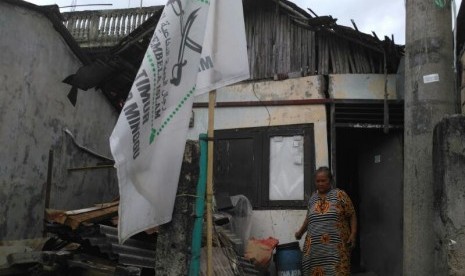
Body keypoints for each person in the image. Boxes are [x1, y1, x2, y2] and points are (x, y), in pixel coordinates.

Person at [295, 166, 357, 276]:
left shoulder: (340, 195)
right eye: (317, 181)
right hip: (315, 249)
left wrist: (353, 233)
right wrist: (300, 232)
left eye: (323, 180)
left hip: (336, 248)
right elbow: (309, 219)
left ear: (330, 180)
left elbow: (351, 214)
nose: (320, 183)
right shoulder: (313, 198)